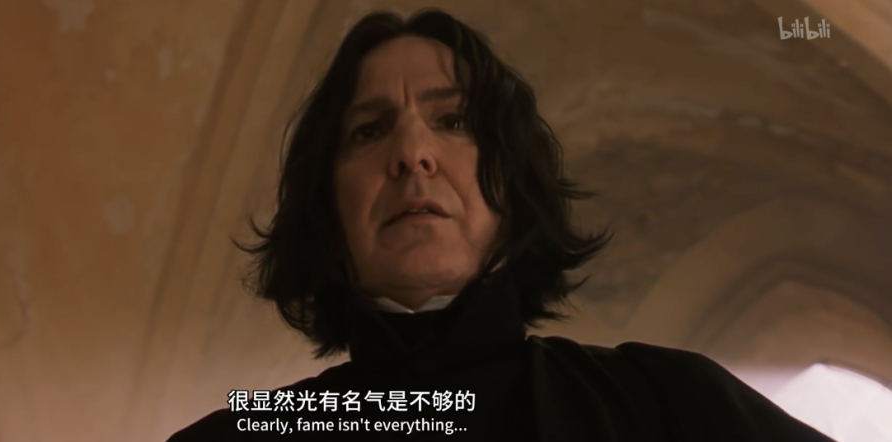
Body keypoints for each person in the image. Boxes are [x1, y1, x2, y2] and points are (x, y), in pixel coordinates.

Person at [167, 8, 835, 442]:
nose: (411, 152)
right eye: (368, 130)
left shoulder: (667, 404)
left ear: (513, 194)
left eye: (453, 120)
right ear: (327, 218)